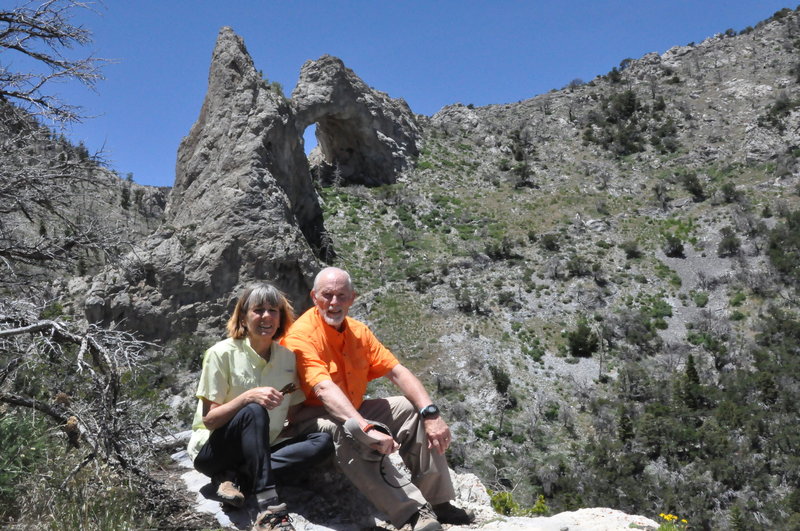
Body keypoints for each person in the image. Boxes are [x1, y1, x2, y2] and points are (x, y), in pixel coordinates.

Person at [282, 267, 474, 531]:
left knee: (411, 409)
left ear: (352, 298)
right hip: (307, 420)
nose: (334, 303)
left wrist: (431, 413)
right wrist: (365, 427)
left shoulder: (358, 332)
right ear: (314, 296)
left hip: (352, 406)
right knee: (347, 429)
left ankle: (438, 502)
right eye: (327, 295)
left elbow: (396, 371)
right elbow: (324, 390)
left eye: (341, 295)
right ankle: (411, 513)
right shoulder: (301, 336)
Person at [187, 283, 332, 531]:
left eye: (273, 310)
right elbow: (209, 419)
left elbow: (294, 415)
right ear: (243, 317)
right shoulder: (221, 353)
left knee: (322, 442)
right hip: (215, 451)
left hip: (262, 448)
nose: (266, 317)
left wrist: (335, 407)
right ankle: (268, 508)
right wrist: (247, 398)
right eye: (258, 310)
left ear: (281, 318)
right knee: (253, 409)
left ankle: (236, 478)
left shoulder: (287, 359)